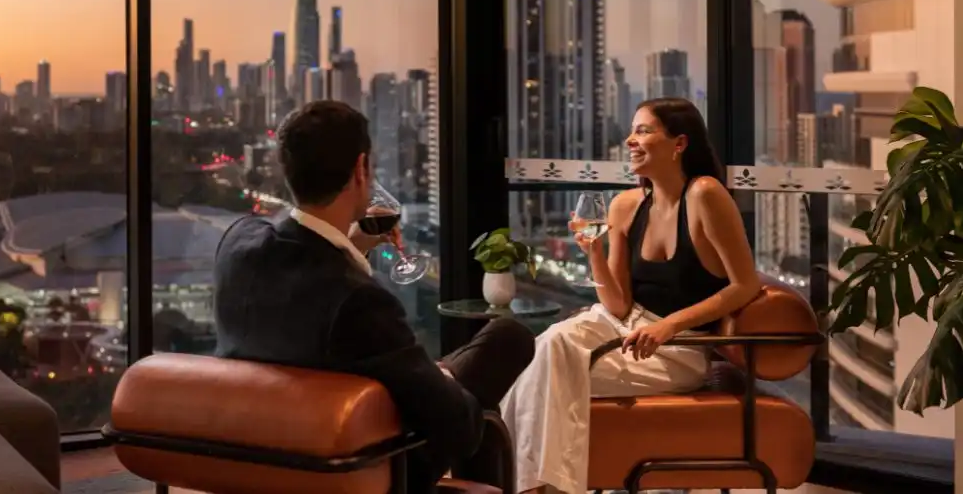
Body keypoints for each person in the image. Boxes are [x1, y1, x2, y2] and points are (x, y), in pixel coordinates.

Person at [214, 100, 535, 493]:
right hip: (361, 463)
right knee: (506, 341)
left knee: (479, 357)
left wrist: (352, 248)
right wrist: (447, 387)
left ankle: (438, 380)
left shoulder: (238, 244)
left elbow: (305, 289)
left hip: (263, 454)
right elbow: (459, 428)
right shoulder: (357, 301)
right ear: (361, 168)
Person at [500, 97, 764, 494]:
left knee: (549, 357)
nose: (630, 140)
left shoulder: (705, 195)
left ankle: (520, 484)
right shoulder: (626, 205)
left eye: (643, 131)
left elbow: (745, 284)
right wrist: (593, 251)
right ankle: (530, 486)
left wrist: (671, 326)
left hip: (679, 350)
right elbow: (619, 304)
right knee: (540, 354)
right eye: (632, 130)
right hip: (621, 328)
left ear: (679, 144)